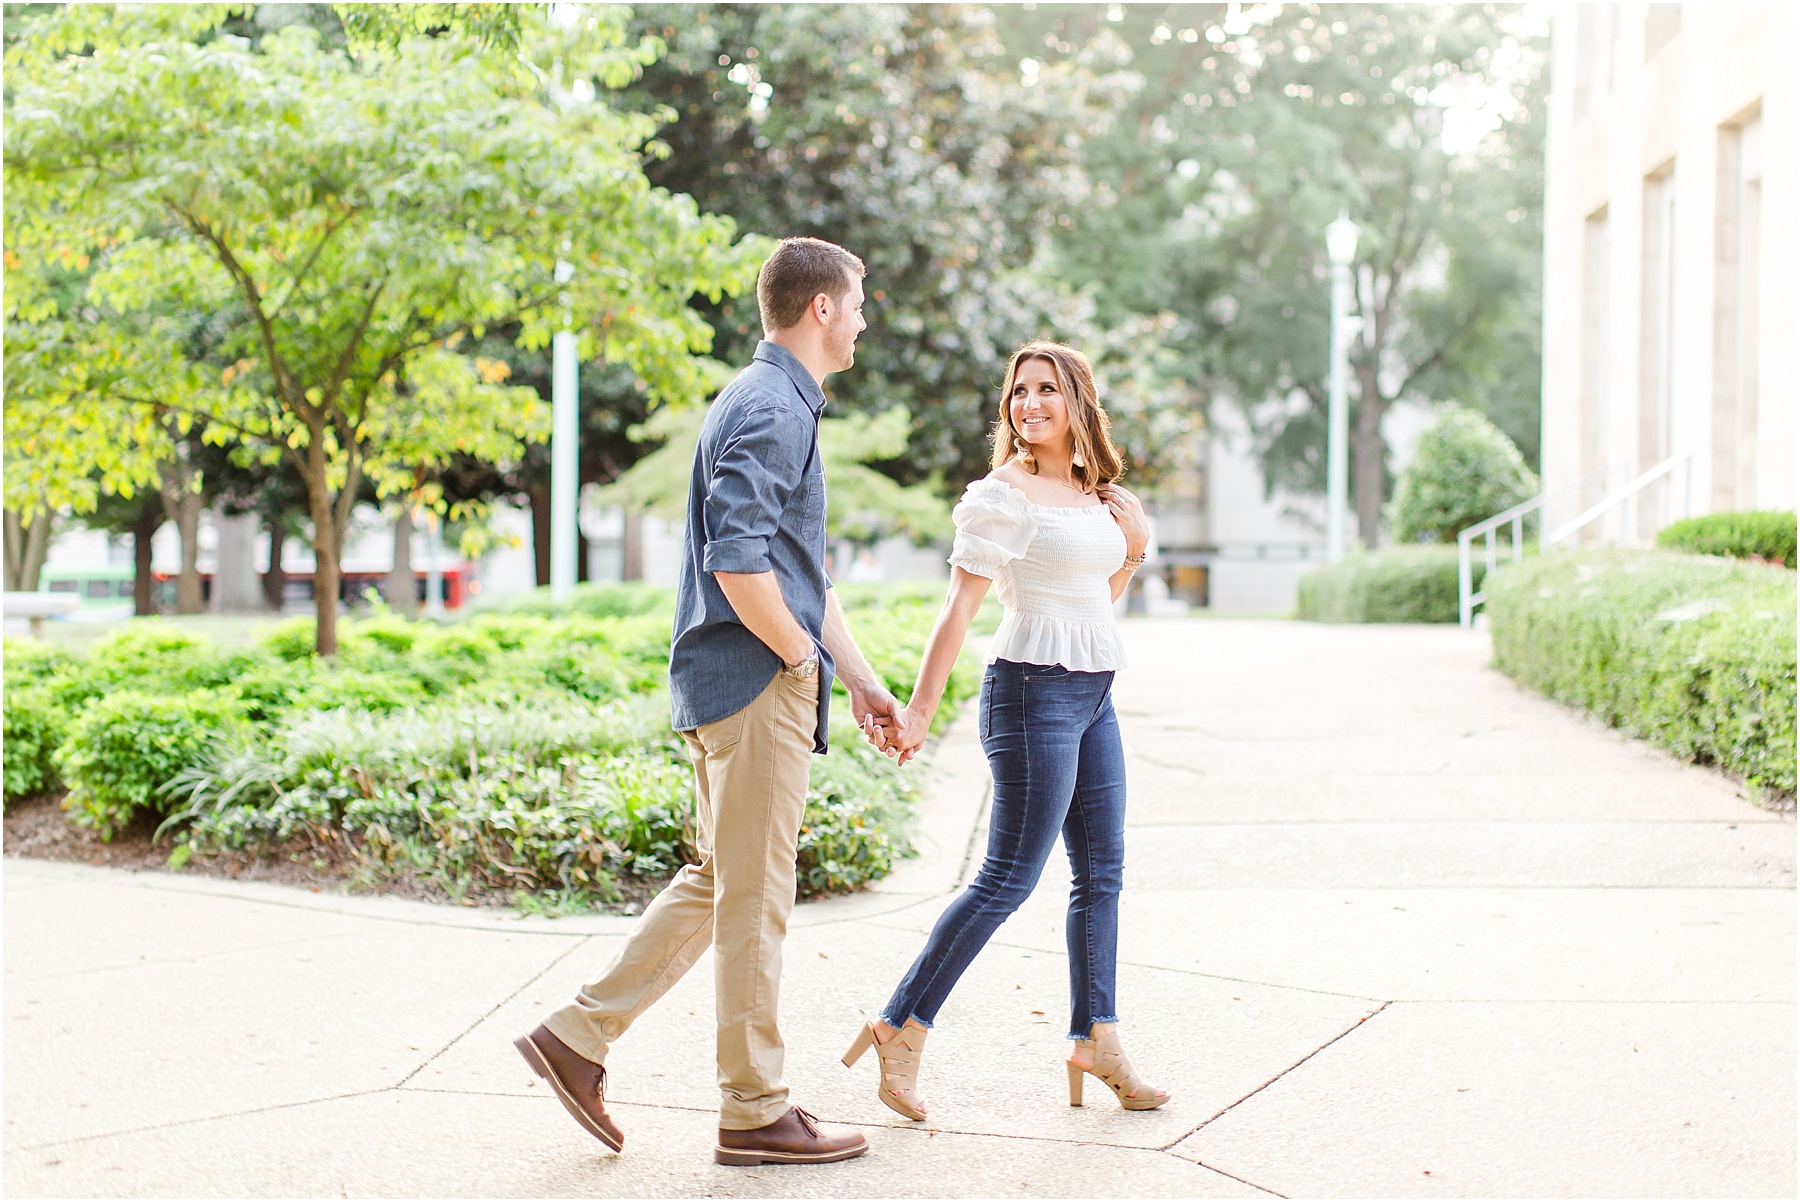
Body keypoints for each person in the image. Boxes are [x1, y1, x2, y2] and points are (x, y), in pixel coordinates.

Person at [516, 237, 904, 1167]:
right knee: (757, 901)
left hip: (729, 680)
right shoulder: (774, 409)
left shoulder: (765, 398)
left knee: (715, 884)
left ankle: (576, 1038)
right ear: (820, 308)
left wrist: (854, 673)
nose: (860, 319)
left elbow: (791, 570)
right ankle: (754, 1110)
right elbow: (737, 564)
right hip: (753, 685)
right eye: (856, 303)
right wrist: (801, 661)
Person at [842, 340, 1170, 1119]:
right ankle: (899, 1027)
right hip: (1029, 697)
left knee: (1102, 875)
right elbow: (959, 607)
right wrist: (919, 711)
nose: (1029, 404)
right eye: (1020, 391)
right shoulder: (1004, 494)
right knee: (1007, 880)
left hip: (1094, 695)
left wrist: (1135, 548)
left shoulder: (1098, 497)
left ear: (1078, 403)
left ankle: (1098, 1039)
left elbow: (1097, 598)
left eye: (1047, 390)